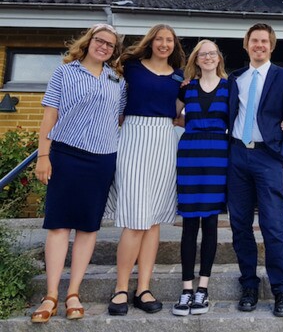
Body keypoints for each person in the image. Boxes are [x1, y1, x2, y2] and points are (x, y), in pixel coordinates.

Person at [31, 24, 126, 323]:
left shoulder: (117, 79)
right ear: (88, 42)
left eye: (110, 45)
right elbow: (50, 115)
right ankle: (50, 295)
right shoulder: (65, 72)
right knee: (59, 226)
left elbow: (120, 116)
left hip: (102, 159)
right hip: (66, 154)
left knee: (88, 227)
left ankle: (73, 293)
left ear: (114, 51)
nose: (104, 47)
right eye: (100, 41)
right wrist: (43, 156)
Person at [106, 24, 185, 316]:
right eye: (159, 39)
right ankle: (121, 289)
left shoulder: (180, 76)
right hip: (135, 136)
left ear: (174, 46)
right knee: (136, 217)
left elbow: (179, 114)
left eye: (169, 40)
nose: (164, 44)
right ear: (150, 42)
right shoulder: (131, 67)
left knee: (153, 220)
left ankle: (144, 288)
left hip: (164, 139)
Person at [228, 23, 283, 318]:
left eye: (264, 41)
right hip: (236, 156)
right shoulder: (234, 78)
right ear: (246, 45)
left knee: (273, 227)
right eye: (254, 40)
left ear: (271, 46)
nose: (259, 45)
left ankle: (280, 289)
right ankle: (249, 284)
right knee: (240, 225)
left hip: (268, 157)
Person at [171, 40, 228, 316]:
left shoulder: (230, 87)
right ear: (196, 58)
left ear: (218, 58)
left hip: (218, 157)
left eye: (212, 53)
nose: (208, 57)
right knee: (189, 224)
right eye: (203, 53)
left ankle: (203, 289)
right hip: (190, 155)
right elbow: (172, 115)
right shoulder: (187, 87)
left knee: (211, 223)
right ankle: (186, 289)